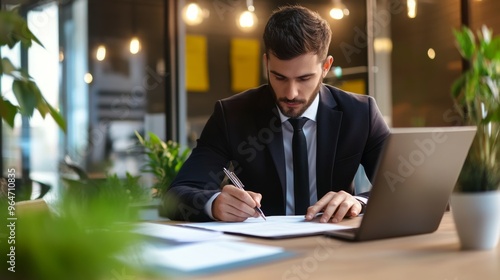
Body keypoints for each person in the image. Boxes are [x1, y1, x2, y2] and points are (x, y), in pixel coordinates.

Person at [160, 5, 390, 223]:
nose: (291, 93)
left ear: (326, 66)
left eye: (304, 78)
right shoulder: (231, 115)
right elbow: (174, 197)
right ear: (266, 63)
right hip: (261, 248)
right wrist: (214, 203)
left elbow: (404, 183)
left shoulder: (360, 113)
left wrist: (359, 201)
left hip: (335, 245)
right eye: (279, 77)